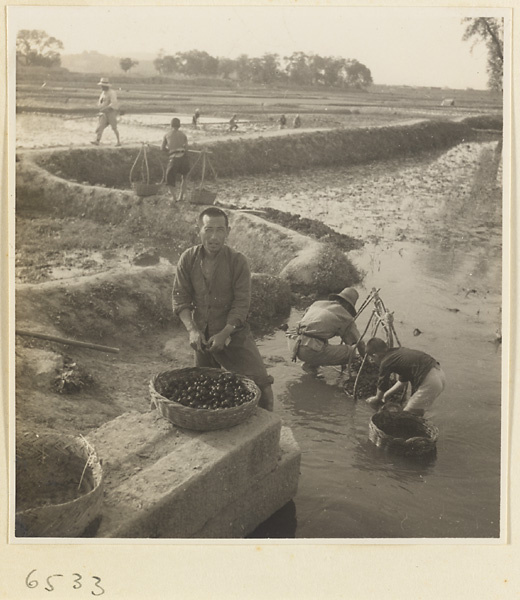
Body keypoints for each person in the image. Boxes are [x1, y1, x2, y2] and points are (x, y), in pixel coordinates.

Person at [172, 207, 274, 411]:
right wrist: (192, 331)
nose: (214, 237)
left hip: (233, 333)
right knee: (205, 389)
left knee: (261, 384)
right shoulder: (188, 258)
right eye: (208, 230)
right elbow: (180, 298)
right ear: (198, 230)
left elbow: (241, 304)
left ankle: (268, 430)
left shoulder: (238, 261)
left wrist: (225, 333)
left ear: (228, 231)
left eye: (220, 230)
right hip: (202, 335)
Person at [292, 287, 366, 377]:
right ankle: (309, 364)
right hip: (309, 350)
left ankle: (310, 366)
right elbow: (359, 343)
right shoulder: (345, 316)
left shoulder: (317, 303)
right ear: (348, 305)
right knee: (351, 352)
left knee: (321, 339)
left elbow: (308, 324)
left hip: (294, 343)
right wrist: (366, 361)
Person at [365, 338, 446, 416]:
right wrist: (386, 395)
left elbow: (382, 385)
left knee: (405, 416)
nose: (372, 361)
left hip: (429, 381)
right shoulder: (397, 353)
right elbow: (402, 382)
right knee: (416, 412)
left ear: (375, 355)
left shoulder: (385, 362)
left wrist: (377, 398)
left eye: (372, 358)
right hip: (439, 374)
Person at [161, 117, 189, 202]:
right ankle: (180, 197)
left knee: (169, 178)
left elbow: (162, 148)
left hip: (174, 158)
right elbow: (186, 148)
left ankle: (174, 197)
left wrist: (169, 150)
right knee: (184, 177)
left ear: (171, 125)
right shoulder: (183, 135)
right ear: (179, 126)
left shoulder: (167, 135)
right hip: (183, 157)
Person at [91, 77, 121, 146]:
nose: (101, 87)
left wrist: (107, 108)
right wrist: (100, 109)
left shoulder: (112, 93)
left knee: (114, 127)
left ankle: (118, 141)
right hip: (103, 113)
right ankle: (97, 141)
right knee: (100, 126)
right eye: (101, 86)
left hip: (111, 113)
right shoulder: (103, 93)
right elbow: (100, 103)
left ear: (106, 86)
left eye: (102, 86)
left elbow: (113, 103)